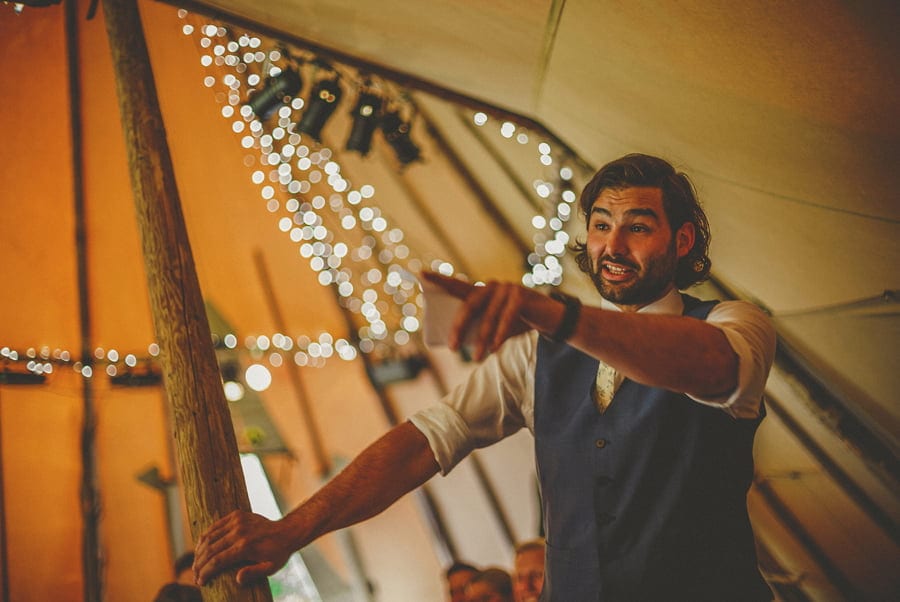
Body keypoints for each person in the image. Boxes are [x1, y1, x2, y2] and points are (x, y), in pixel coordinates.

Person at [193, 153, 776, 601]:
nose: (613, 246)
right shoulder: (538, 356)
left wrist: (558, 315)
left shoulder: (732, 323)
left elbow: (708, 365)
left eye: (638, 228)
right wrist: (290, 531)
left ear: (682, 240)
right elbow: (422, 441)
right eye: (601, 225)